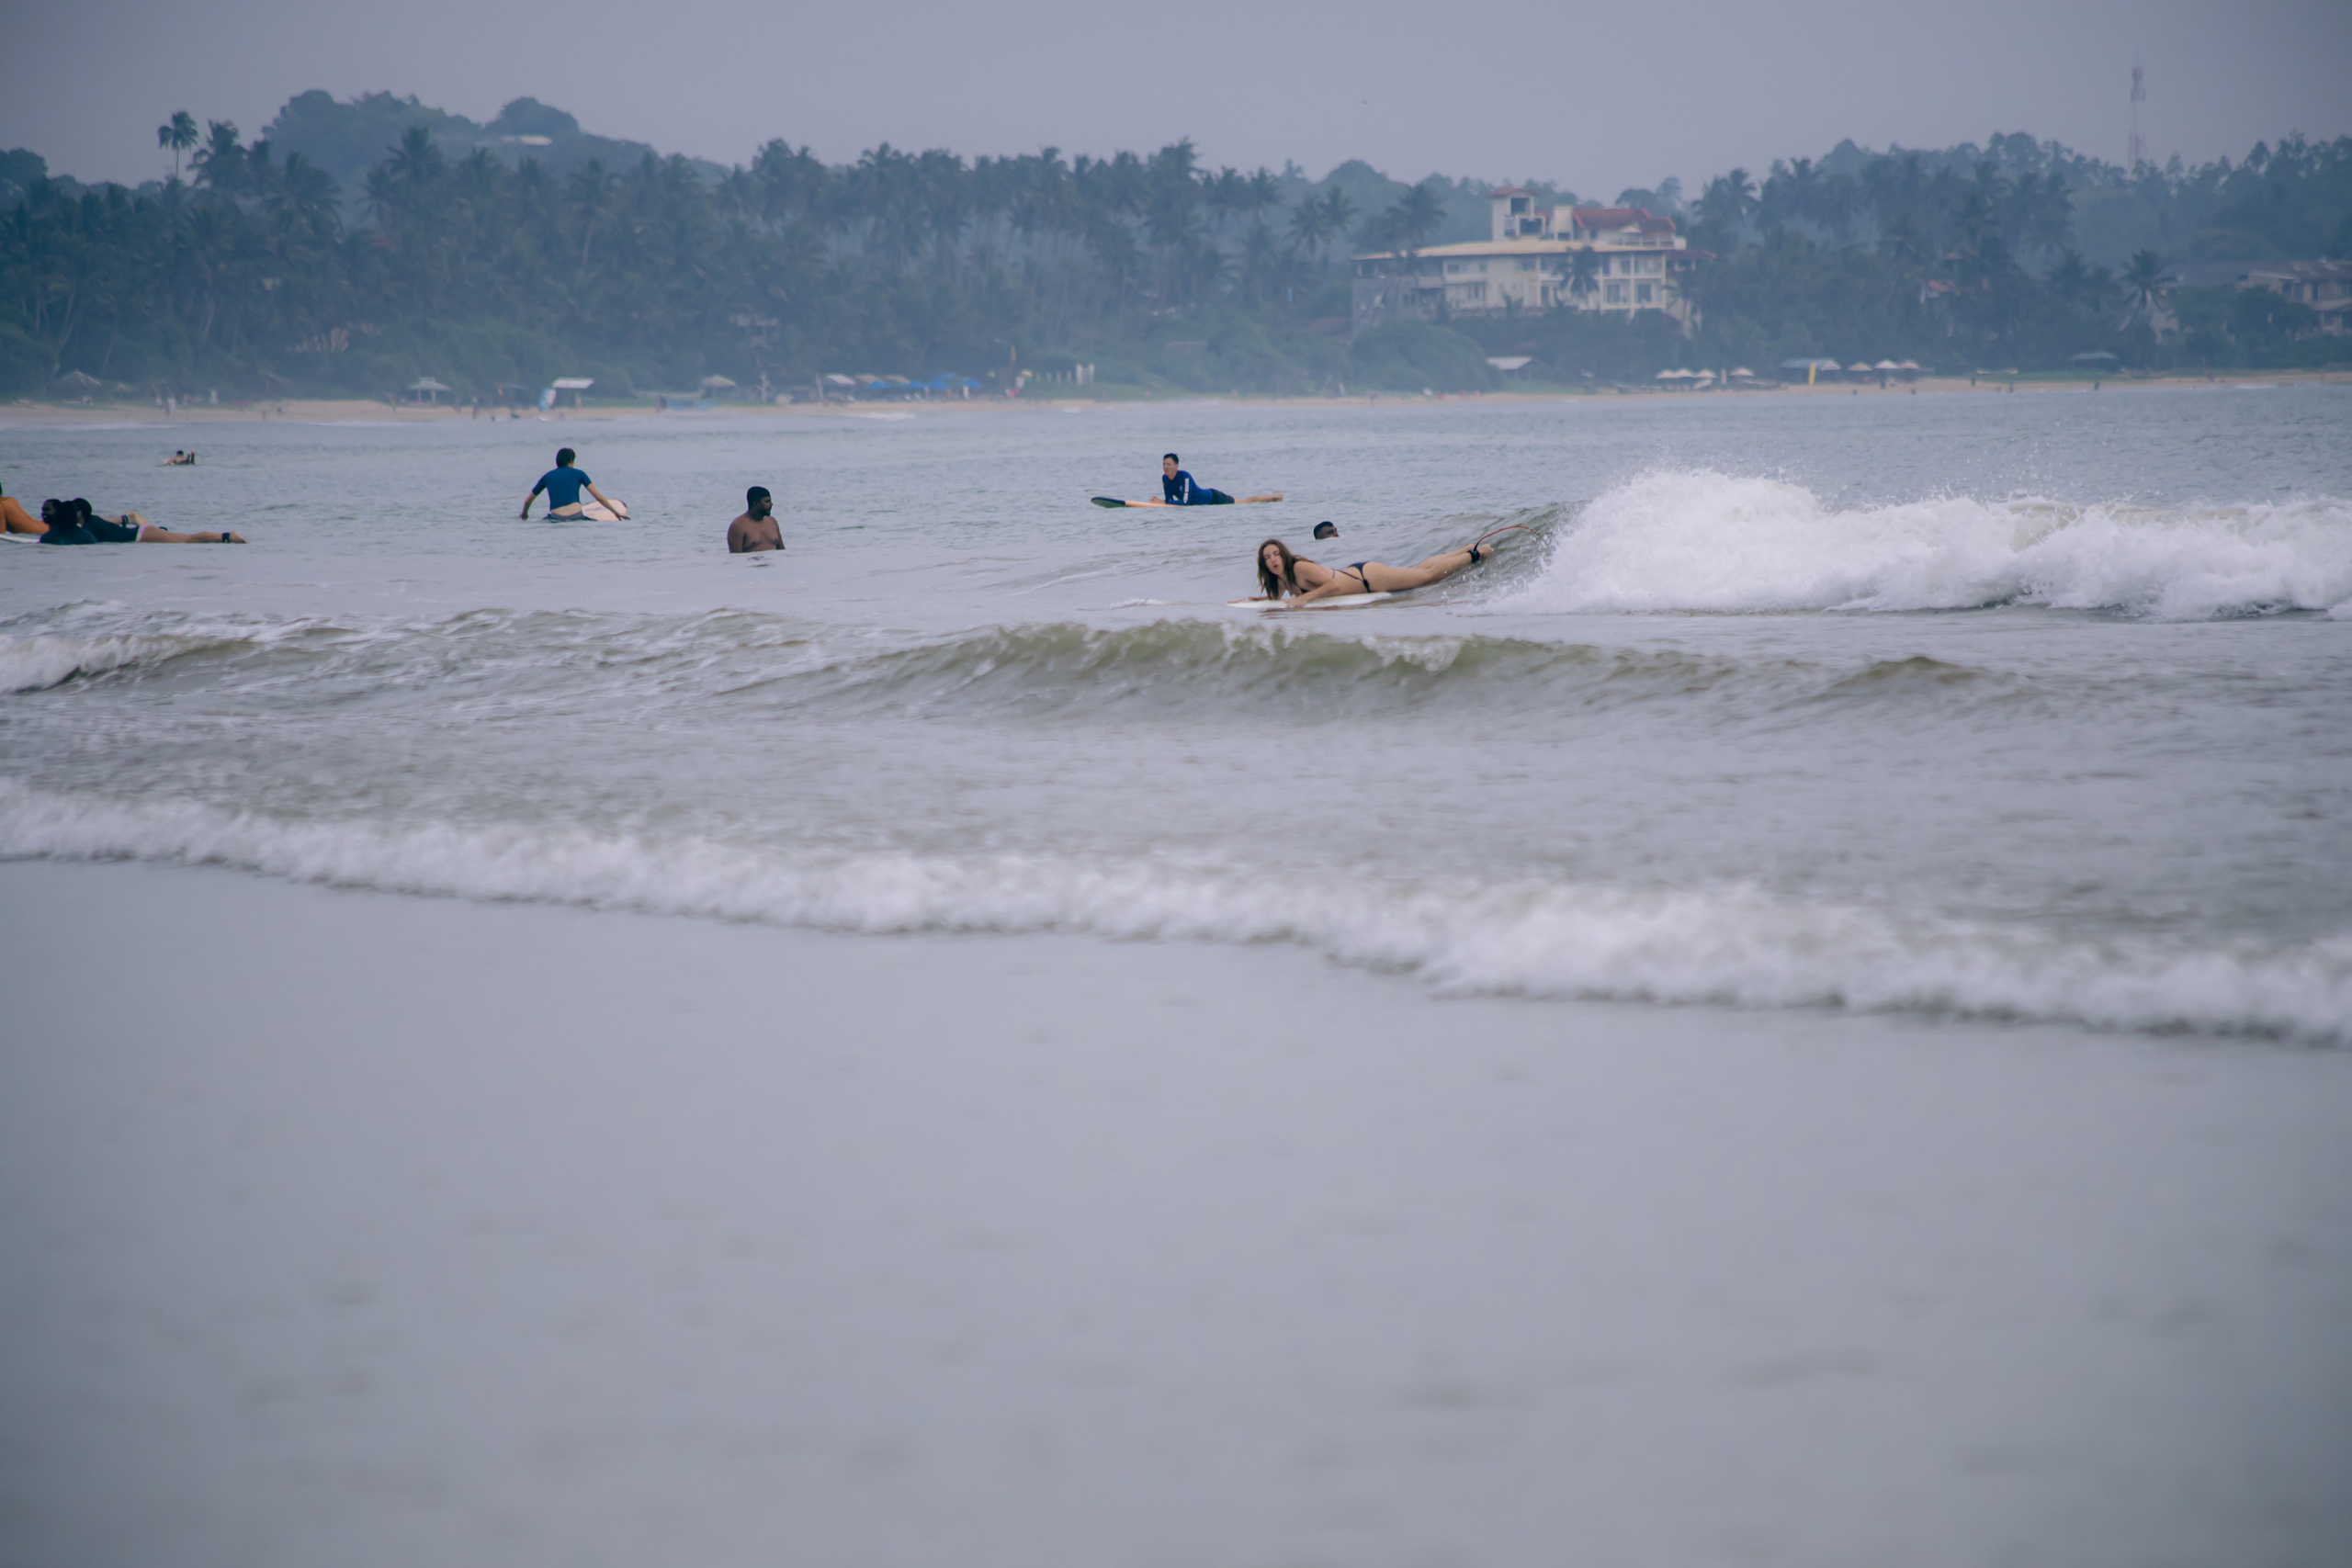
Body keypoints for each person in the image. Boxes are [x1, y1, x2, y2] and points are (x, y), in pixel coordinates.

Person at [1251, 535, 1487, 607]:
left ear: (1283, 555)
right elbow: (1274, 599)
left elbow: (1332, 586)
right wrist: (1252, 601)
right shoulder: (1280, 580)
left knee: (1427, 578)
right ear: (1265, 565)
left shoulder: (1299, 568)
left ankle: (1475, 554)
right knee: (1417, 572)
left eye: (1276, 554)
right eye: (1267, 558)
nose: (1273, 560)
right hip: (1360, 578)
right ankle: (1462, 550)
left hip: (1368, 579)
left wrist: (1304, 599)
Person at [37, 497, 243, 544]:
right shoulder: (93, 522)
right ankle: (225, 537)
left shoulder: (89, 526)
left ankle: (226, 536)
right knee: (187, 539)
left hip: (140, 535)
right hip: (141, 534)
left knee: (188, 540)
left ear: (80, 512)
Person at [520, 447, 624, 520]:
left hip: (556, 518)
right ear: (570, 461)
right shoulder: (579, 474)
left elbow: (528, 501)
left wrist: (525, 514)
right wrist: (616, 513)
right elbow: (599, 497)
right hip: (577, 517)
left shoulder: (547, 476)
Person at [1160, 453, 1281, 506]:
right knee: (1244, 502)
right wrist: (1164, 502)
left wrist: (1165, 503)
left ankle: (1274, 497)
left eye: (1168, 464)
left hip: (1214, 498)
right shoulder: (1165, 479)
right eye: (1164, 464)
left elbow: (1185, 502)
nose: (1165, 467)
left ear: (1176, 466)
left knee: (1245, 502)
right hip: (1206, 501)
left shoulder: (1185, 476)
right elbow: (1170, 500)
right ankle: (1272, 498)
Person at [727, 486, 784, 553]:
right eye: (767, 501)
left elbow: (782, 552)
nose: (771, 504)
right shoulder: (738, 526)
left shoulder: (772, 521)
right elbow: (735, 557)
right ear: (756, 504)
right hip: (751, 560)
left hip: (774, 560)